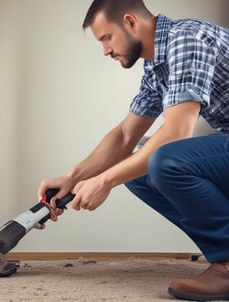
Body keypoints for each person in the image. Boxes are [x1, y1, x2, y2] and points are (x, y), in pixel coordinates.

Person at [37, 0, 229, 300]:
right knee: (139, 166)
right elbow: (125, 135)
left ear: (129, 22)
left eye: (106, 38)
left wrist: (104, 181)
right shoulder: (157, 64)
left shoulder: (187, 39)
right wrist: (72, 178)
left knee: (166, 159)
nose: (106, 51)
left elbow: (176, 134)